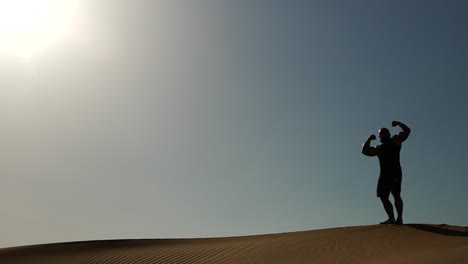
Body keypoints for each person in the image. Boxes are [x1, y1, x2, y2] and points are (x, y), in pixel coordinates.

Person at [362, 121, 411, 224]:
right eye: (381, 134)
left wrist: (398, 123)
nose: (383, 135)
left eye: (385, 133)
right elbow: (365, 151)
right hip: (384, 175)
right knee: (383, 197)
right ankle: (391, 218)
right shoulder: (379, 148)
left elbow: (407, 131)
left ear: (388, 134)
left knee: (396, 194)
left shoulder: (395, 141)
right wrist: (369, 140)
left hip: (395, 172)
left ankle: (399, 218)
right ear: (380, 136)